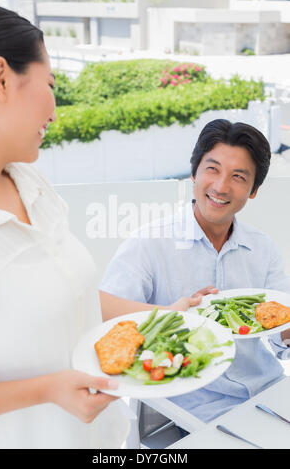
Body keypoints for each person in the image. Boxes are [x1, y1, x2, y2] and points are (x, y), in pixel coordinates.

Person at [0, 4, 133, 450]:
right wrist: (48, 389)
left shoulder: (30, 181)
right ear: (1, 78)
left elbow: (74, 292)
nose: (56, 110)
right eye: (51, 85)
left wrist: (171, 315)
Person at [100, 119, 290, 425]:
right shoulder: (149, 243)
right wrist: (176, 318)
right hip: (192, 408)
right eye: (212, 169)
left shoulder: (262, 248)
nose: (221, 186)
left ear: (254, 190)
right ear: (194, 172)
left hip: (269, 391)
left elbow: (282, 338)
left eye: (238, 177)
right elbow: (113, 325)